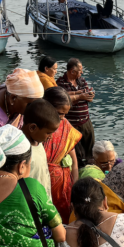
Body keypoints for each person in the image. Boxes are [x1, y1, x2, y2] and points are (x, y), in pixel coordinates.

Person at [42, 86, 82, 220]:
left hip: (64, 189)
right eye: (59, 113)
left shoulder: (65, 126)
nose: (62, 118)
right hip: (42, 186)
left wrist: (74, 190)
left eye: (65, 114)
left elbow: (74, 161)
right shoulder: (35, 128)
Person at [56, 58, 95, 167]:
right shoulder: (60, 82)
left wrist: (89, 96)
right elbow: (62, 98)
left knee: (89, 148)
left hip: (85, 121)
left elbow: (88, 97)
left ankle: (89, 167)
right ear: (72, 71)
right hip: (72, 123)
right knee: (77, 151)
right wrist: (80, 96)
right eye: (79, 70)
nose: (81, 73)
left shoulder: (82, 81)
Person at [20, 98, 60, 195]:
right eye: (48, 133)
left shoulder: (38, 142)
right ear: (32, 128)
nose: (50, 137)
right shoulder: (21, 151)